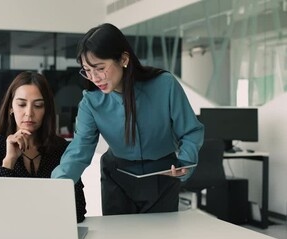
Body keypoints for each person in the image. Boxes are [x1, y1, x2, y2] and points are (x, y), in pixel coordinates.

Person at [51, 23, 204, 215]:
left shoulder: (165, 85)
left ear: (123, 59)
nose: (94, 78)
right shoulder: (91, 102)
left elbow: (191, 131)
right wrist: (57, 185)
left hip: (162, 175)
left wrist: (185, 162)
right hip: (117, 179)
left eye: (99, 68)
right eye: (87, 71)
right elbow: (79, 150)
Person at [0, 71, 87, 222]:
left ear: (46, 109)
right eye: (21, 104)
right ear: (10, 108)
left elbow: (78, 209)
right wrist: (9, 161)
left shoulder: (62, 149)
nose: (29, 113)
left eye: (38, 105)